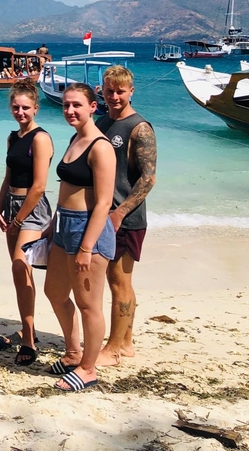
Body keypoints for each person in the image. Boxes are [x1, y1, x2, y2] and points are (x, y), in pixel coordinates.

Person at [44, 83, 116, 392]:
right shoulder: (76, 138)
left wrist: (87, 247)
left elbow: (103, 202)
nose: (70, 110)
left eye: (77, 105)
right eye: (66, 105)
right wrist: (52, 225)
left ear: (92, 107)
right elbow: (67, 189)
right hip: (64, 224)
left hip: (88, 230)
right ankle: (73, 352)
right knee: (55, 291)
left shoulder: (100, 147)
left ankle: (88, 368)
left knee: (89, 305)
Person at [94, 66, 157, 367]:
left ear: (131, 91)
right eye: (110, 90)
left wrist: (119, 213)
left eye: (120, 91)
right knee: (118, 280)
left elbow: (148, 178)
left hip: (125, 218)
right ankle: (127, 342)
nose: (115, 96)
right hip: (104, 214)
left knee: (120, 281)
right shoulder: (103, 121)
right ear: (102, 91)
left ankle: (113, 348)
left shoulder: (139, 128)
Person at [0, 80, 54, 366]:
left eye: (26, 107)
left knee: (20, 265)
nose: (20, 112)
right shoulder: (13, 137)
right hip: (12, 205)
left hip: (32, 209)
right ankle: (29, 328)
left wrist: (18, 219)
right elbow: (8, 175)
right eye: (16, 107)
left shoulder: (41, 138)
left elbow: (39, 186)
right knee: (19, 273)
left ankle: (28, 339)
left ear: (36, 108)